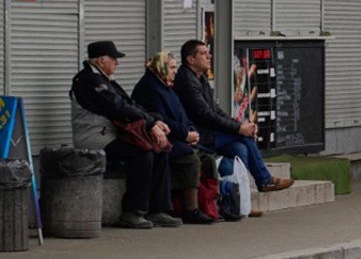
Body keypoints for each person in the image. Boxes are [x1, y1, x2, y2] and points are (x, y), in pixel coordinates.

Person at [69, 41, 183, 229]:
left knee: (160, 149)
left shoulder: (105, 80)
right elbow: (117, 107)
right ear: (101, 60)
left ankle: (158, 209)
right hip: (96, 138)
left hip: (113, 134)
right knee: (142, 155)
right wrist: (150, 123)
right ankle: (133, 211)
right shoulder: (89, 81)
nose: (117, 64)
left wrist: (154, 120)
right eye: (114, 59)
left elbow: (129, 103)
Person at [173, 40, 293, 193]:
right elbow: (205, 115)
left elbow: (215, 110)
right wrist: (239, 129)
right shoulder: (186, 81)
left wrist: (240, 125)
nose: (209, 56)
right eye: (203, 53)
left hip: (209, 132)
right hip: (198, 136)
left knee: (240, 148)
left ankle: (239, 201)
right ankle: (264, 180)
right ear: (191, 59)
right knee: (245, 137)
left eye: (208, 53)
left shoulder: (200, 78)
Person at [132, 51, 216, 224]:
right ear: (160, 67)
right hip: (160, 139)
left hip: (178, 137)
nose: (174, 72)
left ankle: (211, 205)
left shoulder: (166, 85)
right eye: (171, 67)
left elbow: (181, 116)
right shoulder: (150, 88)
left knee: (208, 159)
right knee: (191, 159)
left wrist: (191, 131)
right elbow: (163, 119)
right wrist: (186, 135)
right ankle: (190, 209)